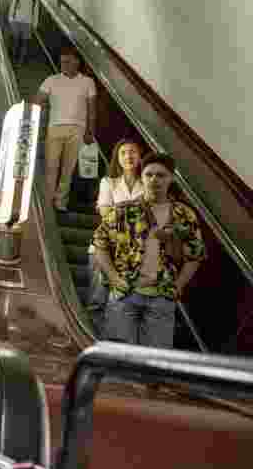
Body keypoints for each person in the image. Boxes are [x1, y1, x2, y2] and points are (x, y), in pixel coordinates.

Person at [91, 153, 206, 348]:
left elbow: (196, 254)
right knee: (119, 358)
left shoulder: (183, 214)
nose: (154, 180)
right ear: (141, 177)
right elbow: (99, 244)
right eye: (149, 174)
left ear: (171, 178)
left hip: (162, 295)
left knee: (156, 362)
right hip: (125, 293)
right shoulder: (123, 210)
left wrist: (178, 285)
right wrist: (114, 278)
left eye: (161, 175)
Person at [86, 139, 145, 327]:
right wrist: (134, 210)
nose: (128, 156)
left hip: (133, 254)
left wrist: (120, 208)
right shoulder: (109, 182)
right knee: (98, 299)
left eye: (133, 152)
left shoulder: (147, 185)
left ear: (140, 156)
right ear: (117, 158)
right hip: (104, 248)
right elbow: (105, 213)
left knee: (121, 304)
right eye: (124, 153)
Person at [33, 47, 97, 212]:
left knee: (68, 169)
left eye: (68, 61)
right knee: (51, 167)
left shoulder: (87, 82)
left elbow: (92, 109)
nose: (64, 64)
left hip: (78, 129)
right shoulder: (51, 80)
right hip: (54, 128)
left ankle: (60, 202)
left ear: (77, 62)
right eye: (62, 62)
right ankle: (47, 202)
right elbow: (37, 102)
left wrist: (90, 131)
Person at [8, 0, 38, 66]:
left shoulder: (34, 0)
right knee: (15, 42)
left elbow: (35, 14)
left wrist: (34, 26)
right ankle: (13, 59)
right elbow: (12, 9)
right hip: (16, 22)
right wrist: (11, 20)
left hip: (27, 24)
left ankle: (20, 61)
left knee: (24, 44)